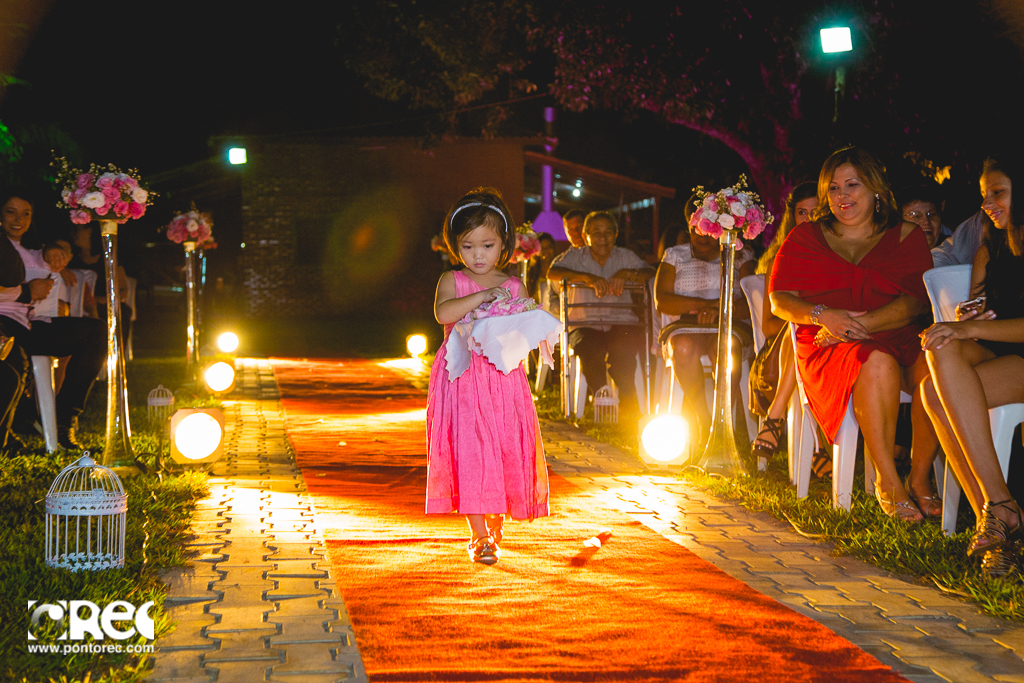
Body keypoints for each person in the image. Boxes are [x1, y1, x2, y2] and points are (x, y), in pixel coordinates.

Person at [769, 147, 934, 521]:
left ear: (875, 187)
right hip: (826, 345)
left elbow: (916, 304)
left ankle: (922, 479)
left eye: (852, 185)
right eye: (833, 188)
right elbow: (779, 299)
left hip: (895, 333)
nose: (842, 196)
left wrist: (858, 325)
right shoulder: (806, 236)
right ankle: (888, 484)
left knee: (936, 368)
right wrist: (824, 315)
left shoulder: (907, 235)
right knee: (875, 361)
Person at [426, 188, 550, 565]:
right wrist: (480, 300)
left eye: (487, 245)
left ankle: (495, 511)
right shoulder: (452, 280)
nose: (477, 255)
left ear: (504, 245)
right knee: (470, 450)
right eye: (468, 246)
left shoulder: (513, 286)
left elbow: (520, 332)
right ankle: (478, 535)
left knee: (499, 446)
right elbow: (444, 314)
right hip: (461, 381)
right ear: (455, 247)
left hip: (501, 381)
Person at [920, 154, 1024, 576]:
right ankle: (998, 508)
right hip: (1004, 357)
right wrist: (967, 320)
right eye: (985, 196)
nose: (988, 205)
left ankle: (999, 514)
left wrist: (962, 330)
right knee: (936, 363)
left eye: (998, 193)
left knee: (940, 369)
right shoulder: (988, 251)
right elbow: (975, 317)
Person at [0, 191, 106, 449]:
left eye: (26, 213)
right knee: (13, 362)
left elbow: (50, 260)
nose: (19, 219)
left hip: (31, 323)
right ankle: (12, 425)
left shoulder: (31, 251)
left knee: (96, 333)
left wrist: (56, 254)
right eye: (11, 211)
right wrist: (26, 291)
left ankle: (64, 417)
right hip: (5, 321)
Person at [654, 200, 755, 446]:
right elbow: (663, 301)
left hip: (729, 324)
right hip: (687, 326)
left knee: (726, 348)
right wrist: (701, 307)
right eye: (696, 228)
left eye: (708, 229)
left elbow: (753, 300)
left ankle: (723, 420)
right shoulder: (674, 255)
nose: (701, 235)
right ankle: (703, 418)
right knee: (683, 347)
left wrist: (717, 308)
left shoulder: (741, 255)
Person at [547, 211, 654, 417]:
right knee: (590, 349)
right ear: (586, 236)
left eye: (608, 233)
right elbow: (553, 273)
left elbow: (650, 273)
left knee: (623, 351)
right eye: (596, 233)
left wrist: (628, 274)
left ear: (615, 235)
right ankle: (602, 398)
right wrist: (586, 278)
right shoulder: (575, 256)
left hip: (621, 322)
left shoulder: (625, 256)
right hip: (584, 323)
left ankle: (628, 401)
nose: (602, 239)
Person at [750, 182, 820, 469]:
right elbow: (767, 326)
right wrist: (801, 315)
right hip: (778, 358)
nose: (809, 219)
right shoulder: (781, 256)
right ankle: (781, 419)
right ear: (793, 218)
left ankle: (783, 429)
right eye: (802, 213)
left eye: (816, 212)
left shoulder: (839, 256)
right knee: (799, 330)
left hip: (825, 345)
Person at [897, 183, 950, 250]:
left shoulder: (955, 251)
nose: (926, 221)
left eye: (932, 214)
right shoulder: (891, 255)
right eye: (916, 216)